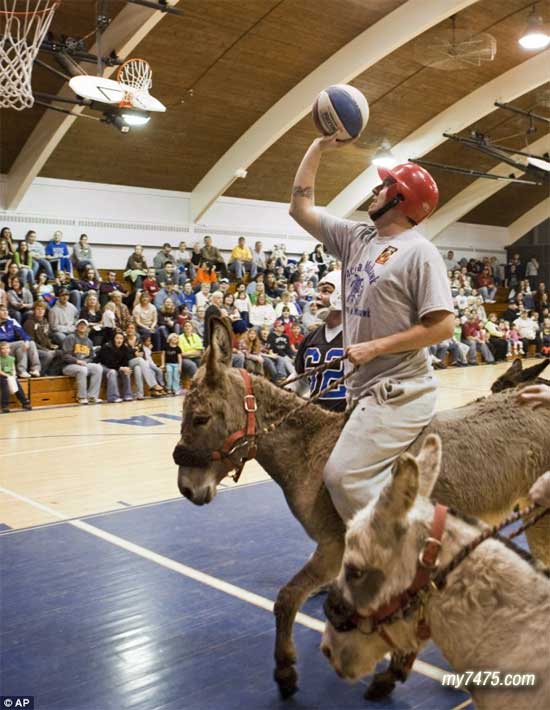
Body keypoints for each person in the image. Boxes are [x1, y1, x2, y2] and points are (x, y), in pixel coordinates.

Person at [289, 136, 454, 520]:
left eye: (384, 186)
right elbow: (300, 207)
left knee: (343, 478)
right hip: (361, 388)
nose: (376, 190)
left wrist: (375, 347)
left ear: (401, 198)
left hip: (401, 390)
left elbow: (443, 327)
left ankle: (403, 556)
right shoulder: (356, 238)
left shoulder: (420, 253)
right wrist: (317, 147)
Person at [295, 270, 346, 411]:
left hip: (348, 420)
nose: (318, 296)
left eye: (326, 290)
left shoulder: (358, 335)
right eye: (319, 290)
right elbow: (300, 379)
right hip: (316, 421)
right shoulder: (310, 338)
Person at [61, 319, 103, 404]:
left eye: (84, 325)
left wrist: (85, 361)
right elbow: (65, 355)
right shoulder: (70, 338)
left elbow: (91, 357)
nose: (82, 326)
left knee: (98, 368)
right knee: (82, 370)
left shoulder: (89, 342)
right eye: (80, 325)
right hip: (68, 366)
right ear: (76, 327)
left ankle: (92, 396)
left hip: (83, 364)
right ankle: (81, 397)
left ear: (87, 328)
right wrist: (77, 361)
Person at [0, 303, 41, 377]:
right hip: (2, 347)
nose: (6, 312)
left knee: (31, 343)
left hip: (12, 347)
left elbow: (23, 333)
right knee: (21, 344)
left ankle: (35, 369)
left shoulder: (12, 321)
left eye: (6, 310)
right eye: (3, 310)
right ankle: (21, 371)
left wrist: (27, 341)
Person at [23, 301, 63, 375]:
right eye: (38, 309)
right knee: (48, 355)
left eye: (42, 309)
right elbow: (31, 341)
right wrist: (45, 350)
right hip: (34, 350)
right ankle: (39, 374)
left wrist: (51, 345)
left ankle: (51, 374)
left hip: (45, 348)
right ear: (34, 311)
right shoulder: (29, 323)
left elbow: (47, 336)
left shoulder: (45, 321)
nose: (40, 311)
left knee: (61, 353)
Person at [98, 331, 136, 402]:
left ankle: (128, 395)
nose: (119, 340)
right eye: (117, 338)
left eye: (121, 338)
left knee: (126, 371)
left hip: (116, 367)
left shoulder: (124, 348)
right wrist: (121, 368)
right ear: (113, 339)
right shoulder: (107, 347)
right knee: (112, 372)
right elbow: (108, 363)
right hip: (103, 366)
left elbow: (125, 362)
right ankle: (113, 397)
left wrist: (125, 368)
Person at [0, 339, 32, 413]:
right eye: (3, 348)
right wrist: (7, 375)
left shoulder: (11, 359)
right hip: (2, 375)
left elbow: (13, 368)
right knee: (5, 384)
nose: (5, 350)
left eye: (7, 348)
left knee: (17, 384)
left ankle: (25, 402)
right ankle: (5, 405)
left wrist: (14, 374)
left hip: (10, 375)